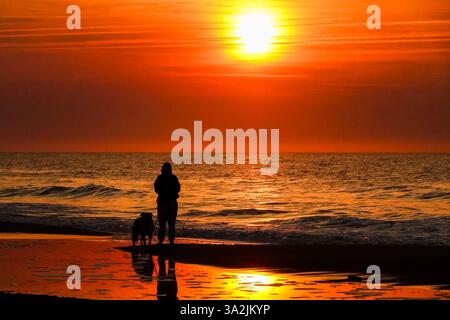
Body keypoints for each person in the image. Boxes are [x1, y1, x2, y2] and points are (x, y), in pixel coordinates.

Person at [154, 162, 180, 245]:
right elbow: (178, 189)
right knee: (171, 223)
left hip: (163, 203)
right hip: (172, 202)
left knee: (162, 223)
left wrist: (163, 192)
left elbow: (156, 189)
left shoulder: (160, 178)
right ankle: (171, 240)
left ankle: (161, 240)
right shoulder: (174, 178)